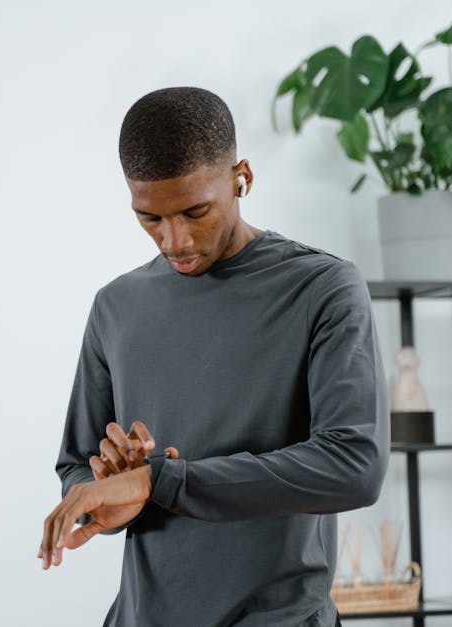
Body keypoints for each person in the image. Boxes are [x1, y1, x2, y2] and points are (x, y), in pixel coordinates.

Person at [38, 86, 390, 627]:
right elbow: (76, 466)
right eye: (150, 218)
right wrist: (110, 495)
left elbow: (354, 466)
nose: (174, 240)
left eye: (194, 211)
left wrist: (161, 480)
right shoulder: (116, 306)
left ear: (240, 177)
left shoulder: (321, 288)